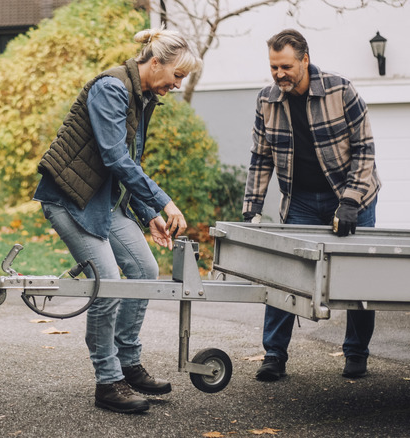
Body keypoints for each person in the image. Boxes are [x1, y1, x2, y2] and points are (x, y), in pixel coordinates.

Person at [33, 28, 202, 414]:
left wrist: (149, 214)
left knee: (144, 270)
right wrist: (165, 201)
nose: (177, 85)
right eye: (176, 76)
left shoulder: (140, 95)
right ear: (155, 62)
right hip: (70, 199)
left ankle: (128, 363)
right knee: (108, 284)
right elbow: (114, 157)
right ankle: (108, 381)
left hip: (104, 200)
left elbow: (128, 166)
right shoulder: (110, 88)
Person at [243, 29, 381, 381]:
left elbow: (364, 149)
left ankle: (356, 352)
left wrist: (350, 201)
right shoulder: (267, 100)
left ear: (304, 60)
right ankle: (273, 355)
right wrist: (252, 206)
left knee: (359, 277)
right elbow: (261, 157)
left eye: (286, 66)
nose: (279, 74)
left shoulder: (340, 90)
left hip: (350, 196)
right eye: (274, 67)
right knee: (287, 274)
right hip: (300, 200)